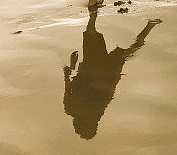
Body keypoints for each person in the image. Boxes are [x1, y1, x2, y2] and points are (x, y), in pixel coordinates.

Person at [63, 9, 162, 139]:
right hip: (91, 68)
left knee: (132, 49)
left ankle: (150, 25)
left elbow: (108, 92)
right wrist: (72, 65)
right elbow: (67, 81)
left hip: (105, 72)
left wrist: (117, 74)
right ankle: (93, 13)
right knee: (91, 33)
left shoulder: (95, 112)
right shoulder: (71, 109)